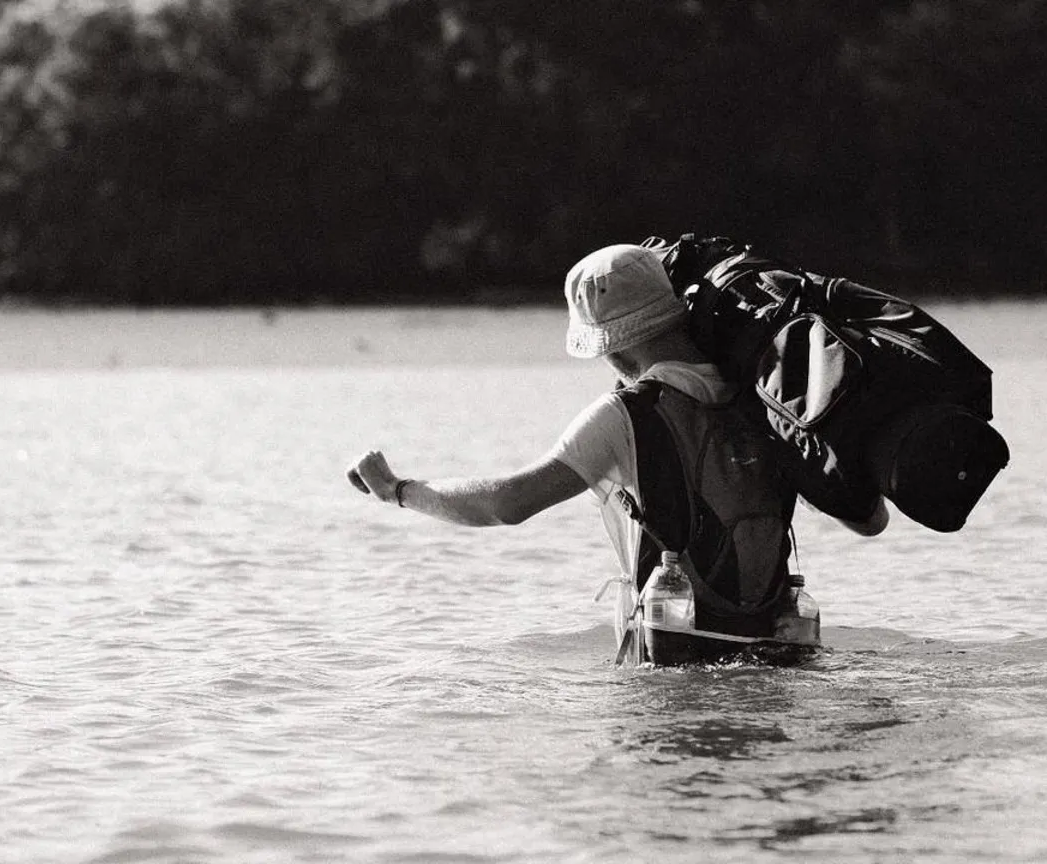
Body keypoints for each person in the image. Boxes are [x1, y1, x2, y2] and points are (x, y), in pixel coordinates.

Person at [348, 244, 886, 665]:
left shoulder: (626, 414)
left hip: (681, 666)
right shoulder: (771, 399)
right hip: (782, 660)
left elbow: (507, 504)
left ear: (610, 344)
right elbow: (871, 521)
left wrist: (399, 490)